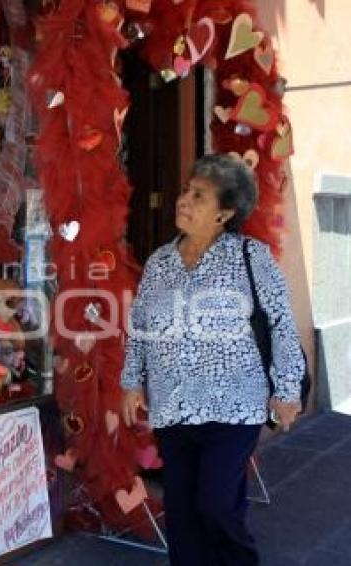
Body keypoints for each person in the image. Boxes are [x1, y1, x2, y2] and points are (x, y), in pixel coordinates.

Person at [120, 153, 305, 566]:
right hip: (173, 407)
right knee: (183, 515)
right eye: (187, 190)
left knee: (218, 505)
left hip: (234, 406)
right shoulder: (159, 263)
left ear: (224, 213)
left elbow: (280, 325)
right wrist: (131, 382)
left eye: (198, 196)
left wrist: (287, 391)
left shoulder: (251, 258)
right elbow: (142, 327)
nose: (184, 200)